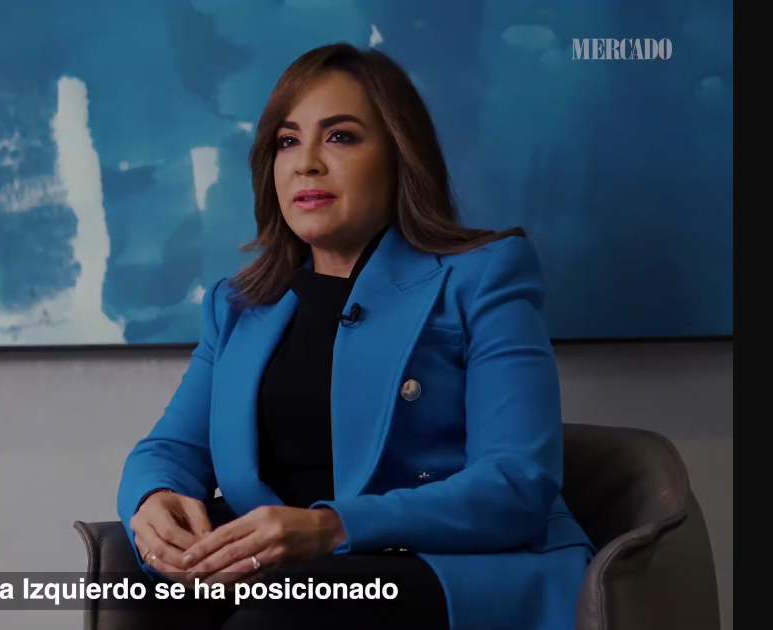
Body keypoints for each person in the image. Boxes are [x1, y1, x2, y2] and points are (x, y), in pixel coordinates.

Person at [116, 42, 595, 629]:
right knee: (145, 593)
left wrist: (332, 527)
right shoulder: (238, 306)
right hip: (288, 577)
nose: (306, 163)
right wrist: (152, 498)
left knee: (280, 616)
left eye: (340, 137)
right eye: (287, 141)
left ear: (399, 155)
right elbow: (169, 449)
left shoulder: (485, 275)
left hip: (444, 565)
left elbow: (516, 484)